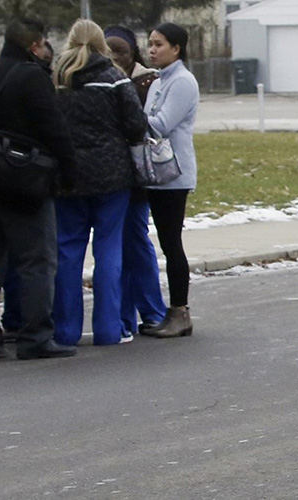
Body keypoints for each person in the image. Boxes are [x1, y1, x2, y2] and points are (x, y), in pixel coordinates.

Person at [0, 17, 78, 361]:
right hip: (24, 182)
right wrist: (69, 172)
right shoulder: (32, 77)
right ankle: (35, 337)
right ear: (35, 45)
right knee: (36, 260)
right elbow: (54, 129)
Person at [49, 19, 148, 346]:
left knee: (68, 252)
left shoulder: (57, 79)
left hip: (67, 176)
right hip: (111, 175)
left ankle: (65, 330)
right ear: (101, 44)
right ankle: (108, 328)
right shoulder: (114, 78)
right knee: (109, 250)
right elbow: (136, 126)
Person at [134, 22, 199, 338]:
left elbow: (160, 125)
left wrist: (129, 113)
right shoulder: (160, 80)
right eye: (150, 44)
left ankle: (180, 311)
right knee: (163, 240)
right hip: (154, 171)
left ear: (176, 48)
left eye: (159, 44)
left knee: (172, 242)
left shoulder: (182, 82)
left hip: (173, 173)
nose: (152, 50)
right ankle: (167, 311)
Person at [104, 24, 168, 335]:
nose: (116, 56)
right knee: (115, 246)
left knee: (135, 241)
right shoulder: (96, 79)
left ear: (133, 54)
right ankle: (124, 318)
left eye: (122, 51)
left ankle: (152, 311)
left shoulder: (147, 82)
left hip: (139, 173)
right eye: (109, 50)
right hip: (108, 175)